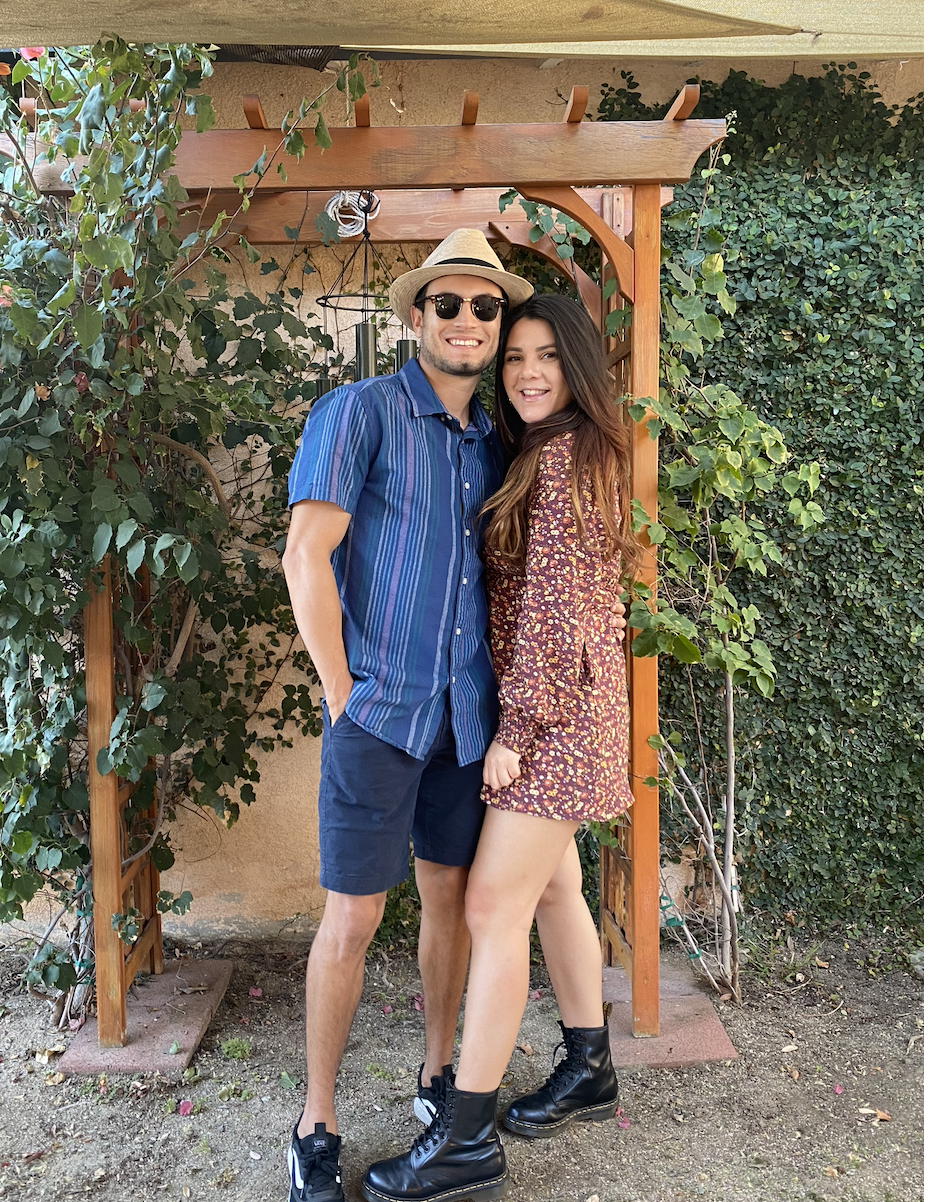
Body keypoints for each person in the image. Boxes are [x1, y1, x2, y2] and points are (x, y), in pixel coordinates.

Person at [362, 294, 640, 1202]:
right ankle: (589, 1065)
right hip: (573, 712)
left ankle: (466, 1140)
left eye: (548, 356)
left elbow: (554, 617)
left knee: (490, 906)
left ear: (578, 366)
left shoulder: (562, 461)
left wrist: (513, 733)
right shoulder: (560, 451)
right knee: (554, 887)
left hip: (551, 724)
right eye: (516, 356)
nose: (527, 371)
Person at [280, 228, 534, 1202]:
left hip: (466, 719)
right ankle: (316, 1122)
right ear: (416, 315)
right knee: (351, 917)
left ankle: (436, 1074)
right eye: (448, 303)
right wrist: (341, 690)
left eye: (485, 306)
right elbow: (305, 554)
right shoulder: (360, 411)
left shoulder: (495, 439)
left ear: (498, 323)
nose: (467, 320)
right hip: (379, 715)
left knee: (449, 903)